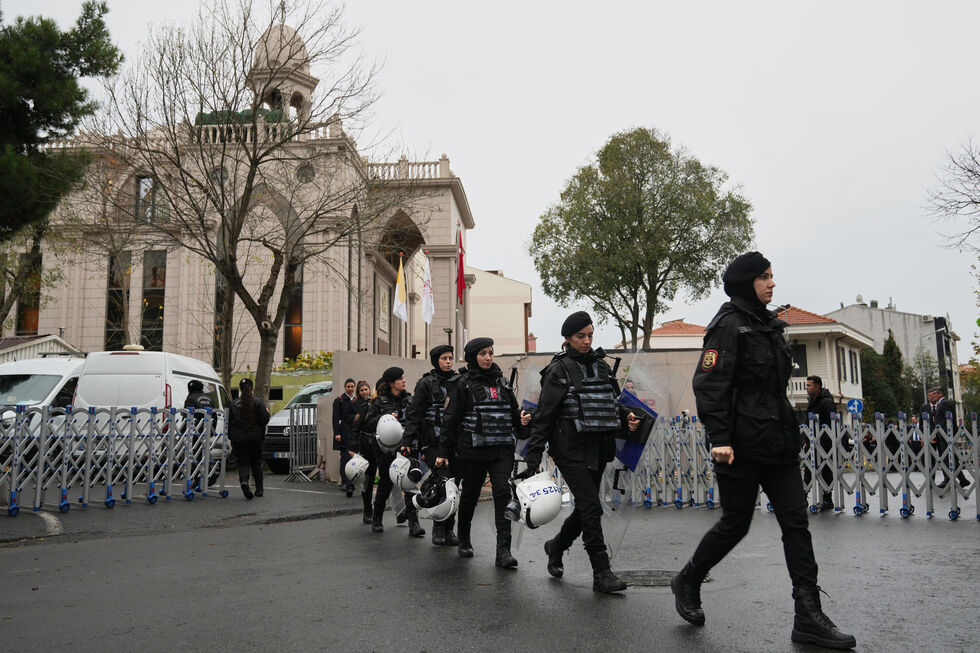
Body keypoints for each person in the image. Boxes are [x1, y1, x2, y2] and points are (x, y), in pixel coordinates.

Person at [670, 252, 856, 650]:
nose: (772, 283)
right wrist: (719, 438)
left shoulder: (772, 326)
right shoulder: (728, 327)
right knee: (736, 523)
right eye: (765, 277)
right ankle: (688, 578)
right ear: (745, 283)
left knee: (796, 522)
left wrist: (793, 430)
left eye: (773, 276)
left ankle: (807, 615)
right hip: (738, 445)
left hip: (778, 442)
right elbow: (709, 383)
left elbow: (774, 390)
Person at [524, 311, 641, 593]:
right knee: (590, 506)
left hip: (599, 447)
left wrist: (626, 416)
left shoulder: (602, 367)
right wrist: (533, 456)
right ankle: (602, 573)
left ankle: (556, 546)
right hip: (569, 450)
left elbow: (611, 401)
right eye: (581, 336)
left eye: (590, 335)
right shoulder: (558, 370)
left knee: (588, 507)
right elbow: (545, 415)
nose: (587, 341)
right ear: (567, 339)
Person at [436, 337, 531, 567]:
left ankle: (503, 552)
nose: (488, 358)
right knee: (469, 495)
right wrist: (443, 452)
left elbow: (513, 412)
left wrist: (523, 420)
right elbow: (450, 421)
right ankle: (464, 538)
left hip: (501, 450)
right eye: (483, 354)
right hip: (473, 451)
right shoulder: (462, 384)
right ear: (472, 357)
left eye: (490, 353)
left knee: (502, 495)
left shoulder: (502, 382)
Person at [404, 345, 461, 546]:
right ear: (436, 360)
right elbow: (414, 415)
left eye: (451, 358)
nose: (448, 361)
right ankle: (439, 528)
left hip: (455, 442)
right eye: (444, 358)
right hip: (432, 443)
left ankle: (449, 529)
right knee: (441, 484)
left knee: (454, 486)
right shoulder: (425, 384)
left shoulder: (459, 381)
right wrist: (407, 441)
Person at [363, 367, 424, 536]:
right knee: (385, 483)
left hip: (406, 447)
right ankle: (377, 519)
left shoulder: (410, 400)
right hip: (385, 450)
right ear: (391, 383)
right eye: (400, 378)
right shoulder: (380, 402)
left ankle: (414, 524)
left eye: (403, 378)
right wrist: (386, 417)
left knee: (409, 484)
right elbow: (368, 424)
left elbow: (418, 422)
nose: (404, 381)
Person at [228, 377, 270, 500]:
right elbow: (264, 419)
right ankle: (259, 489)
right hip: (255, 438)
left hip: (238, 438)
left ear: (240, 389)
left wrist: (231, 437)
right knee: (256, 462)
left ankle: (244, 481)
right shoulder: (258, 402)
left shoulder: (234, 404)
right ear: (251, 388)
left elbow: (230, 422)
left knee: (243, 462)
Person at [921, 387, 967, 488]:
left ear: (940, 394)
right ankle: (960, 480)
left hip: (945, 435)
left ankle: (959, 480)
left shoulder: (945, 403)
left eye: (935, 394)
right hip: (940, 435)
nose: (934, 396)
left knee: (948, 459)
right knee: (947, 459)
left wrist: (943, 433)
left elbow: (947, 420)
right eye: (932, 394)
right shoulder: (939, 404)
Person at [805, 375, 837, 511]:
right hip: (812, 442)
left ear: (817, 387)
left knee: (826, 471)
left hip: (824, 444)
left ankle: (827, 499)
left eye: (809, 385)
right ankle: (803, 497)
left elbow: (831, 424)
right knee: (808, 470)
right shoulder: (812, 401)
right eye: (806, 385)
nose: (806, 388)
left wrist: (824, 441)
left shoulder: (826, 403)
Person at [348, 380, 375, 523]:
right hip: (364, 447)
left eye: (367, 389)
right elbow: (355, 428)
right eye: (362, 390)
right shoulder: (359, 406)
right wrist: (353, 448)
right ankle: (367, 510)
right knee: (367, 480)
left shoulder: (375, 403)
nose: (365, 392)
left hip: (378, 448)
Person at [332, 378, 357, 496]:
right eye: (348, 387)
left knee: (353, 458)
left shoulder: (356, 400)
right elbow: (335, 418)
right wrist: (337, 433)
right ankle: (345, 482)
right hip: (344, 433)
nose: (350, 389)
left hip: (354, 433)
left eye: (352, 386)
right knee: (345, 458)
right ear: (345, 387)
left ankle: (351, 482)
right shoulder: (340, 400)